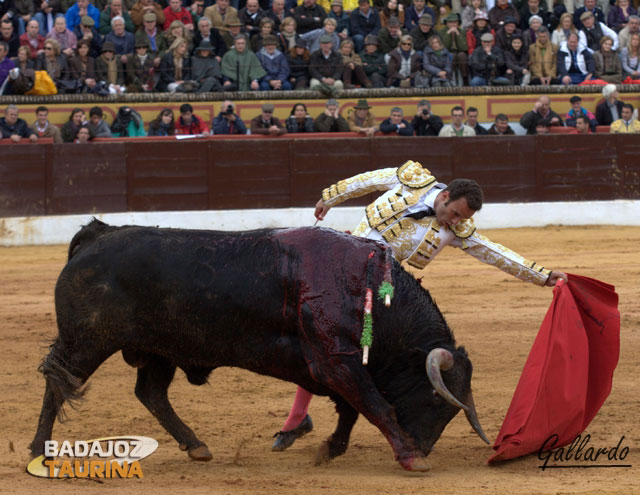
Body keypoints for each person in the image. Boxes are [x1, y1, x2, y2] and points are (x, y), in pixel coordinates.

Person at [271, 159, 567, 451]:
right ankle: (301, 418)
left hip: (378, 288)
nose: (454, 222)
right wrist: (330, 197)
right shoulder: (409, 179)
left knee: (336, 346)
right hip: (340, 266)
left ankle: (312, 418)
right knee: (309, 334)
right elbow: (366, 181)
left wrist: (541, 275)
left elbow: (493, 252)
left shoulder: (454, 232)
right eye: (454, 214)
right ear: (444, 195)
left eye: (461, 219)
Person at [438, 12, 468, 86]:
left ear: (458, 23)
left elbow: (464, 47)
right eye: (450, 22)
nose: (452, 24)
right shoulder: (441, 32)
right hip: (447, 53)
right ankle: (449, 78)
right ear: (447, 23)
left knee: (462, 55)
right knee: (452, 55)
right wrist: (448, 34)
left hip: (459, 52)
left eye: (454, 22)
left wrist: (457, 34)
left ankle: (465, 79)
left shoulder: (462, 32)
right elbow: (444, 47)